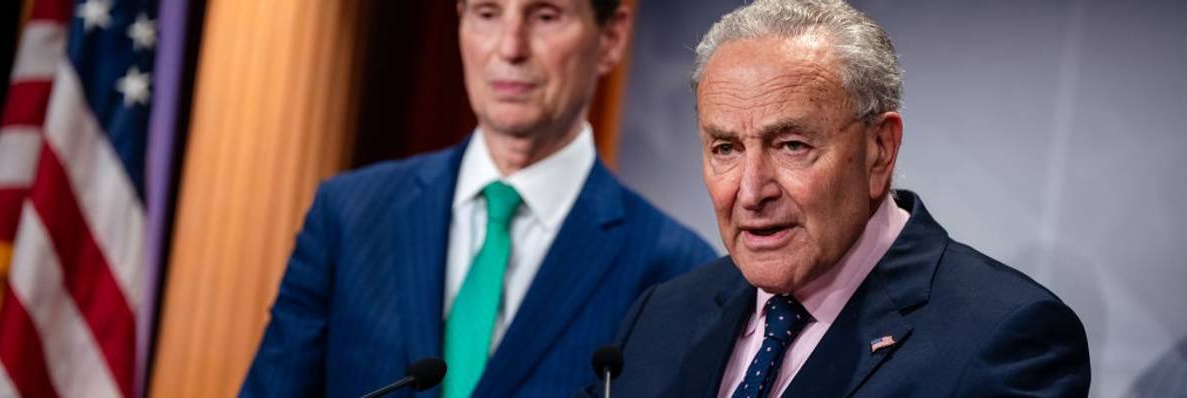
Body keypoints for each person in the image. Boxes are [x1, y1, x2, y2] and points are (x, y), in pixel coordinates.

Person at [587, 1, 1091, 397]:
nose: (750, 190)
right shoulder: (661, 316)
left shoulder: (1005, 340)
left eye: (791, 146)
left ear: (879, 150)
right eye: (726, 148)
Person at [240, 0, 716, 397]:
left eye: (545, 15)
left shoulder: (676, 269)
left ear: (612, 36)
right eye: (487, 13)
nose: (509, 48)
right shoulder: (347, 214)